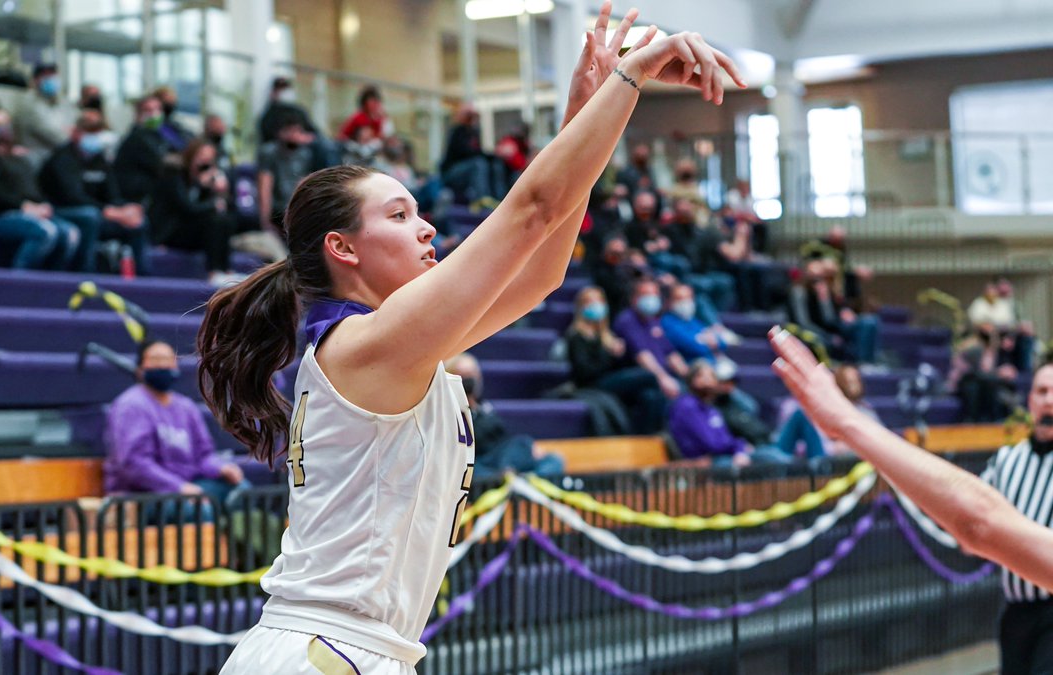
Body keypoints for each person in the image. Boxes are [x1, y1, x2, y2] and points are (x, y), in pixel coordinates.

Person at [202, 9, 743, 672]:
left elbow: (544, 268)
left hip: (351, 649)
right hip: (323, 650)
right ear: (342, 248)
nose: (426, 227)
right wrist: (634, 74)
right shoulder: (365, 345)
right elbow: (531, 210)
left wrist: (588, 106)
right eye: (400, 215)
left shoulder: (391, 344)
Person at [770, 327, 1053, 674]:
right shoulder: (1010, 458)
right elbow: (968, 523)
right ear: (1029, 399)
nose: (1049, 400)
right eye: (1042, 391)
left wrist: (846, 421)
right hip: (1017, 608)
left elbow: (978, 521)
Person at [104, 340, 248, 512]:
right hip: (142, 494)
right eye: (156, 359)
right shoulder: (131, 405)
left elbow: (203, 454)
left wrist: (221, 467)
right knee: (197, 510)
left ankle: (233, 538)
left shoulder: (186, 407)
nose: (163, 364)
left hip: (188, 485)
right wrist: (179, 487)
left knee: (241, 490)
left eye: (169, 359)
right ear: (140, 368)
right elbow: (135, 465)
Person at [39, 110, 150, 275]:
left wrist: (126, 209)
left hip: (99, 212)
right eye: (89, 133)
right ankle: (86, 273)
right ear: (76, 133)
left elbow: (112, 195)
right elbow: (72, 197)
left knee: (138, 219)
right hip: (61, 211)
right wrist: (108, 211)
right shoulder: (62, 159)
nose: (94, 138)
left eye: (97, 134)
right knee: (89, 216)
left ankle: (143, 279)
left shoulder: (100, 160)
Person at [0, 109, 79, 270]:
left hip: (26, 211)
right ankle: (19, 280)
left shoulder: (19, 159)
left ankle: (50, 283)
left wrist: (41, 205)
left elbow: (32, 189)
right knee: (45, 231)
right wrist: (24, 207)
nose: (2, 129)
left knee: (70, 233)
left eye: (5, 125)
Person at [565, 285, 669, 434]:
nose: (596, 305)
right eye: (589, 301)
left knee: (651, 397)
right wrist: (610, 355)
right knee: (649, 376)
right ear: (581, 307)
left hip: (608, 380)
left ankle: (646, 439)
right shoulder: (576, 336)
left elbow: (617, 368)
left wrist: (619, 355)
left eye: (599, 301)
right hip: (591, 384)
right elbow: (585, 372)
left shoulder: (606, 335)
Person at [446, 353, 564, 481]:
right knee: (469, 473)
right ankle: (518, 483)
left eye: (474, 374)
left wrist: (526, 446)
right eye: (465, 376)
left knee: (553, 460)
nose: (471, 381)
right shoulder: (449, 412)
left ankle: (520, 483)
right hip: (481, 463)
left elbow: (503, 439)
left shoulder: (485, 407)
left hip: (506, 458)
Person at [667, 360, 792, 469]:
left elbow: (724, 437)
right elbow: (711, 443)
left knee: (772, 457)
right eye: (704, 376)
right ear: (692, 380)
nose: (709, 380)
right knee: (753, 464)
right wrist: (738, 449)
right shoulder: (688, 406)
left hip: (722, 456)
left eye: (712, 376)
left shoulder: (710, 408)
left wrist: (739, 448)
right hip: (703, 462)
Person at [148, 139, 239, 286]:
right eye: (201, 157)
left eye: (209, 159)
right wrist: (202, 188)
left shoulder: (206, 179)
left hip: (192, 230)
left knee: (225, 219)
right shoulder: (173, 174)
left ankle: (225, 270)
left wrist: (217, 191)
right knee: (213, 220)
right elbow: (187, 208)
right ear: (191, 156)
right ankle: (214, 271)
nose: (204, 162)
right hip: (169, 232)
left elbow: (223, 207)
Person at [776, 363, 878, 460]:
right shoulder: (831, 407)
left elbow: (877, 442)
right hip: (824, 454)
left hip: (847, 459)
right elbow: (817, 439)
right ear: (840, 383)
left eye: (856, 381)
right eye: (849, 382)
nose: (854, 386)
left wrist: (848, 446)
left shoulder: (867, 410)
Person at [611, 277, 688, 400]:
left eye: (654, 294)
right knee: (654, 395)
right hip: (639, 377)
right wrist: (663, 378)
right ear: (634, 299)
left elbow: (670, 353)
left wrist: (689, 376)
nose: (651, 299)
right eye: (646, 294)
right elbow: (642, 356)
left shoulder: (653, 321)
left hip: (659, 375)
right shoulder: (627, 320)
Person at [257, 120, 320, 236]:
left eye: (298, 131)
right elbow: (265, 187)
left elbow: (303, 184)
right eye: (290, 131)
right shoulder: (269, 153)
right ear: (281, 133)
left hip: (295, 210)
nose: (294, 135)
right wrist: (264, 220)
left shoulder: (305, 154)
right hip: (277, 211)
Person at [439, 103, 507, 207]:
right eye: (469, 116)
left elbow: (477, 152)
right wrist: (486, 156)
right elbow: (464, 152)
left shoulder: (474, 132)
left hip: (467, 169)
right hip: (451, 173)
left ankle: (500, 199)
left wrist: (493, 157)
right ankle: (481, 198)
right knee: (479, 164)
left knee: (495, 164)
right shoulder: (457, 131)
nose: (472, 119)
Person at [968, 276, 1035, 372]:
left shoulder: (1002, 304)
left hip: (1005, 333)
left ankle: (1025, 371)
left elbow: (1010, 323)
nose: (991, 293)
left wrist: (1009, 337)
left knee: (1025, 337)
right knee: (992, 335)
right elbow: (977, 323)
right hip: (985, 336)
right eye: (989, 290)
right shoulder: (978, 304)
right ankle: (991, 369)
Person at [13, 63, 73, 168]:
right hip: (37, 161)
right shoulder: (28, 104)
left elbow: (76, 124)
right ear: (35, 80)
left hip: (57, 159)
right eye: (46, 76)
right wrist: (70, 134)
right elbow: (56, 137)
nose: (51, 79)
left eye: (53, 75)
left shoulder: (60, 101)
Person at [114, 94, 170, 204]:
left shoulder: (157, 134)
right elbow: (160, 162)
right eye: (148, 110)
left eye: (158, 109)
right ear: (138, 114)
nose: (154, 114)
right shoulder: (137, 137)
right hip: (135, 198)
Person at [661, 283, 732, 364]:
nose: (685, 302)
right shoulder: (667, 322)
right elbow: (696, 347)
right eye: (679, 298)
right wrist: (706, 339)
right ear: (669, 301)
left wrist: (702, 339)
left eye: (688, 298)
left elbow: (722, 343)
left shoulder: (693, 321)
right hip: (691, 369)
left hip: (710, 365)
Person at [259, 77, 321, 144]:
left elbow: (315, 133)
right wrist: (287, 137)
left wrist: (303, 137)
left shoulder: (299, 111)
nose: (283, 92)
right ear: (273, 92)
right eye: (280, 89)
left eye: (285, 88)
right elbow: (267, 137)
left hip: (302, 148)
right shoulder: (270, 115)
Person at [152, 85, 194, 152]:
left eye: (173, 101)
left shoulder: (174, 124)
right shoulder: (153, 124)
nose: (171, 105)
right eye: (167, 101)